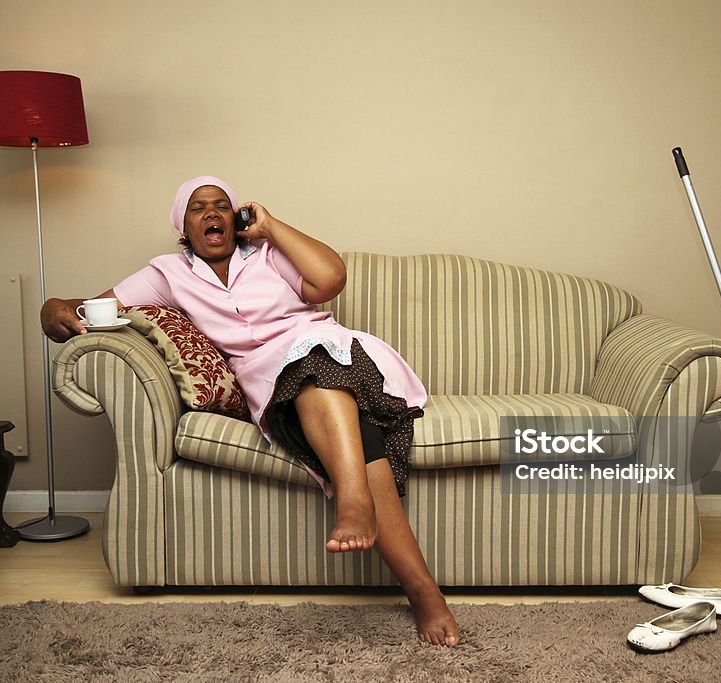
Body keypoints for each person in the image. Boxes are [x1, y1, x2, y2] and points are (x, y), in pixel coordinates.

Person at [41, 176, 460, 647]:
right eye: (198, 208)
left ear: (237, 219)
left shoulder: (267, 254)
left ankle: (358, 506)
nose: (211, 213)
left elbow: (330, 280)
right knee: (358, 433)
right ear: (183, 226)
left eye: (222, 205)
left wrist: (272, 227)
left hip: (336, 356)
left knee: (314, 361)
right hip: (270, 382)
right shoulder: (166, 274)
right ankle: (422, 590)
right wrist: (53, 305)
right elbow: (94, 309)